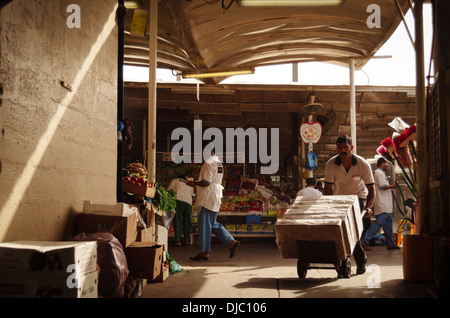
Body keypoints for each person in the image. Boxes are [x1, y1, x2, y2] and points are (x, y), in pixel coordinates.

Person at [323, 135, 375, 275]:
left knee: (352, 230)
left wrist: (368, 207)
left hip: (358, 197)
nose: (343, 150)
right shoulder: (331, 164)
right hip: (340, 198)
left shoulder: (362, 164)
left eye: (346, 147)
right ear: (337, 149)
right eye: (340, 148)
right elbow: (328, 188)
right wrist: (329, 205)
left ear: (351, 148)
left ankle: (360, 262)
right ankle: (351, 259)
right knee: (342, 231)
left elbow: (371, 189)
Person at [188, 145, 239, 261]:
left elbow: (206, 182)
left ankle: (204, 252)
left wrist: (194, 183)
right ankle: (231, 242)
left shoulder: (208, 163)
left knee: (204, 225)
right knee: (212, 223)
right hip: (215, 196)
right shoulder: (219, 162)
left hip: (207, 197)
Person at [361, 157, 400, 250]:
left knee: (388, 225)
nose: (388, 166)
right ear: (382, 163)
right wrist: (394, 186)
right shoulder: (379, 173)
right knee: (378, 223)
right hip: (383, 204)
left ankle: (390, 243)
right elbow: (382, 186)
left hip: (385, 205)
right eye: (387, 164)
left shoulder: (381, 173)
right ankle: (364, 240)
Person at [167, 174, 195, 246]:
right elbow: (193, 197)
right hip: (188, 202)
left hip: (178, 200)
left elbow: (169, 192)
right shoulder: (189, 184)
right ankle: (187, 240)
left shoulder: (174, 181)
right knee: (187, 221)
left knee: (177, 220)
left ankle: (178, 241)